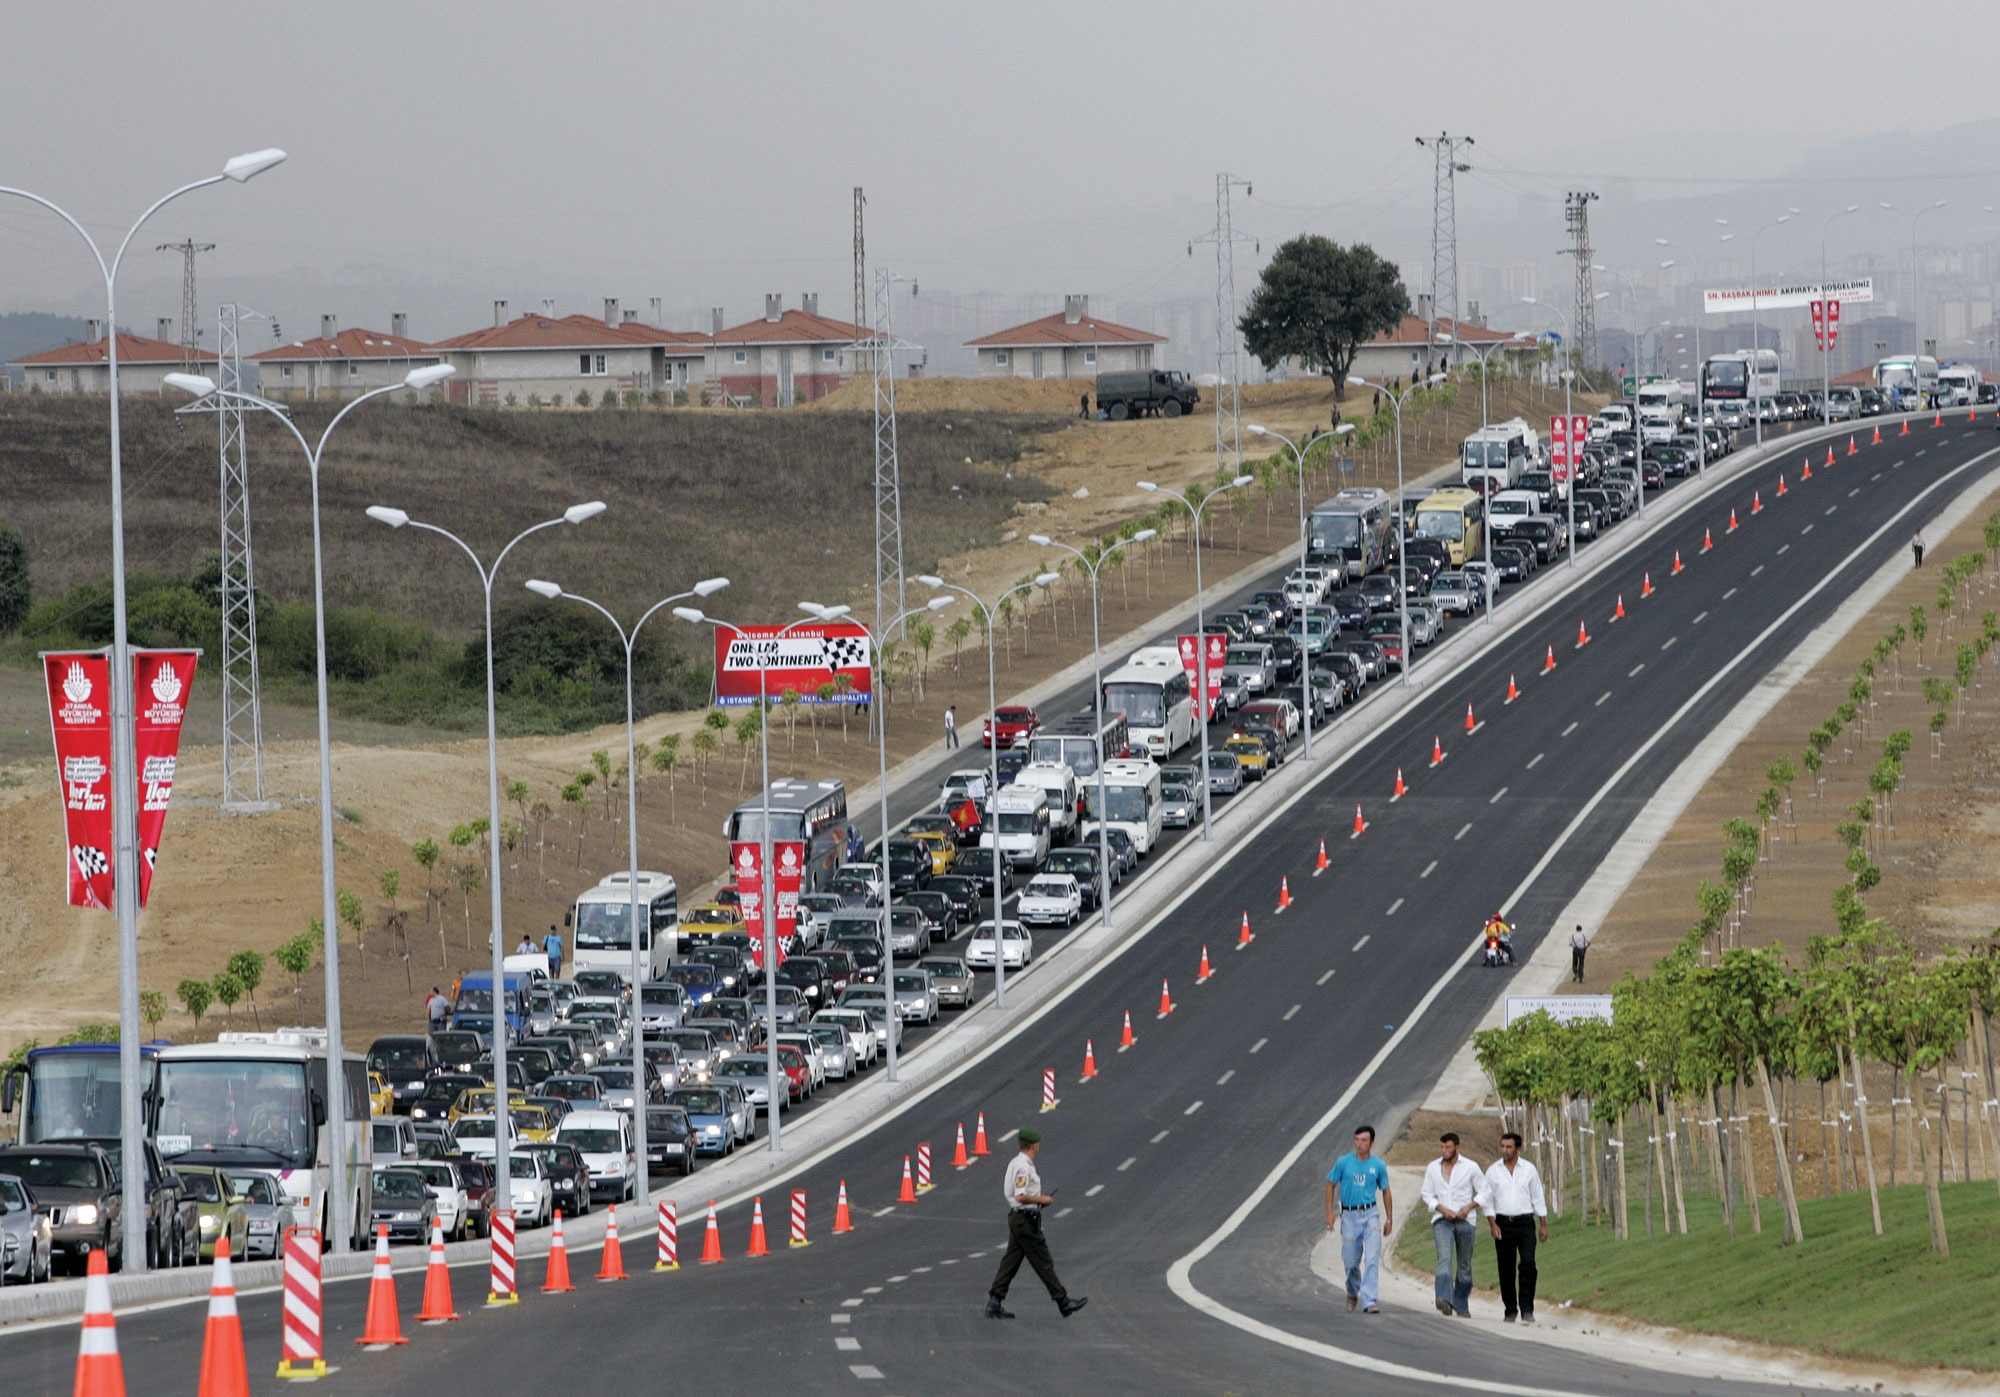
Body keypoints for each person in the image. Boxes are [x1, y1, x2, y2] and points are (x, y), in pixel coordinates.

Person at [986, 1128, 1086, 1319]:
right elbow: (1020, 1195)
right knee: (1043, 1262)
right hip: (1025, 1220)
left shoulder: (1016, 1163)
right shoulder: (1023, 1166)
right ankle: (1063, 1302)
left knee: (1011, 1262)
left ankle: (994, 1301)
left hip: (1020, 1218)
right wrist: (1042, 1200)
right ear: (1033, 1145)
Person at [1324, 1124, 1393, 1314]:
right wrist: (1329, 1213)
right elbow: (1330, 1185)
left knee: (1371, 1258)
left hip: (1370, 1214)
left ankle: (1370, 1300)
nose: (1359, 1144)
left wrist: (1389, 1219)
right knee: (1351, 1261)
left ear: (1371, 1142)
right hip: (1349, 1216)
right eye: (1357, 1140)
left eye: (1363, 1140)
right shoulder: (1343, 1162)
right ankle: (1352, 1292)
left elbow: (1385, 1190)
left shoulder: (1378, 1165)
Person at [1484, 1131, 1548, 1324]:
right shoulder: (1493, 1171)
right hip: (1503, 1224)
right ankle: (1510, 1308)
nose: (1505, 1150)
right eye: (1502, 1146)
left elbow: (1537, 1197)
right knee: (1506, 1268)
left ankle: (1527, 1308)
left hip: (1525, 1223)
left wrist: (1543, 1225)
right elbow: (1487, 1200)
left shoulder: (1529, 1170)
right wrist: (1492, 1224)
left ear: (1518, 1149)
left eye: (1509, 1147)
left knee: (1528, 1264)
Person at [1421, 1131, 1486, 1318]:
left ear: (1457, 1147)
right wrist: (1441, 1208)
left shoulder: (1471, 1167)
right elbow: (1427, 1193)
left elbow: (1485, 1191)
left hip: (1465, 1220)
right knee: (1444, 1257)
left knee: (1464, 1264)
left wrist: (1469, 1206)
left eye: (1448, 1147)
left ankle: (1461, 1303)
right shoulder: (1433, 1168)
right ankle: (1443, 1298)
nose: (1444, 1150)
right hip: (1442, 1220)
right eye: (1442, 1147)